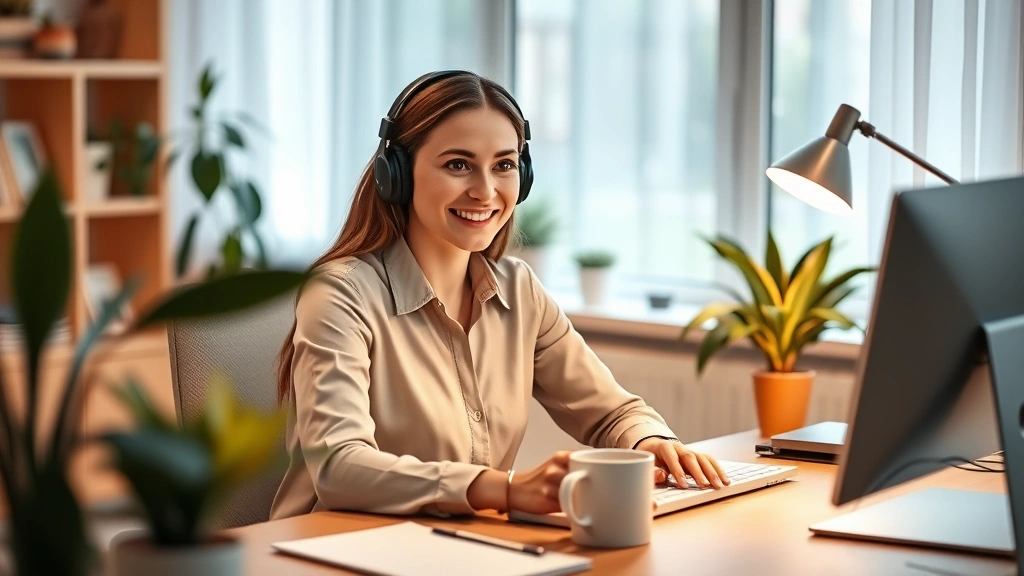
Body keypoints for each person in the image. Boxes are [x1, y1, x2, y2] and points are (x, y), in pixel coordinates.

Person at [270, 70, 729, 520]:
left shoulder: (519, 290)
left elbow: (610, 411)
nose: (485, 190)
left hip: (454, 547)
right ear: (398, 174)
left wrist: (653, 443)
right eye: (457, 165)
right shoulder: (339, 294)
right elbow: (339, 467)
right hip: (329, 550)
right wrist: (505, 490)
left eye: (504, 165)